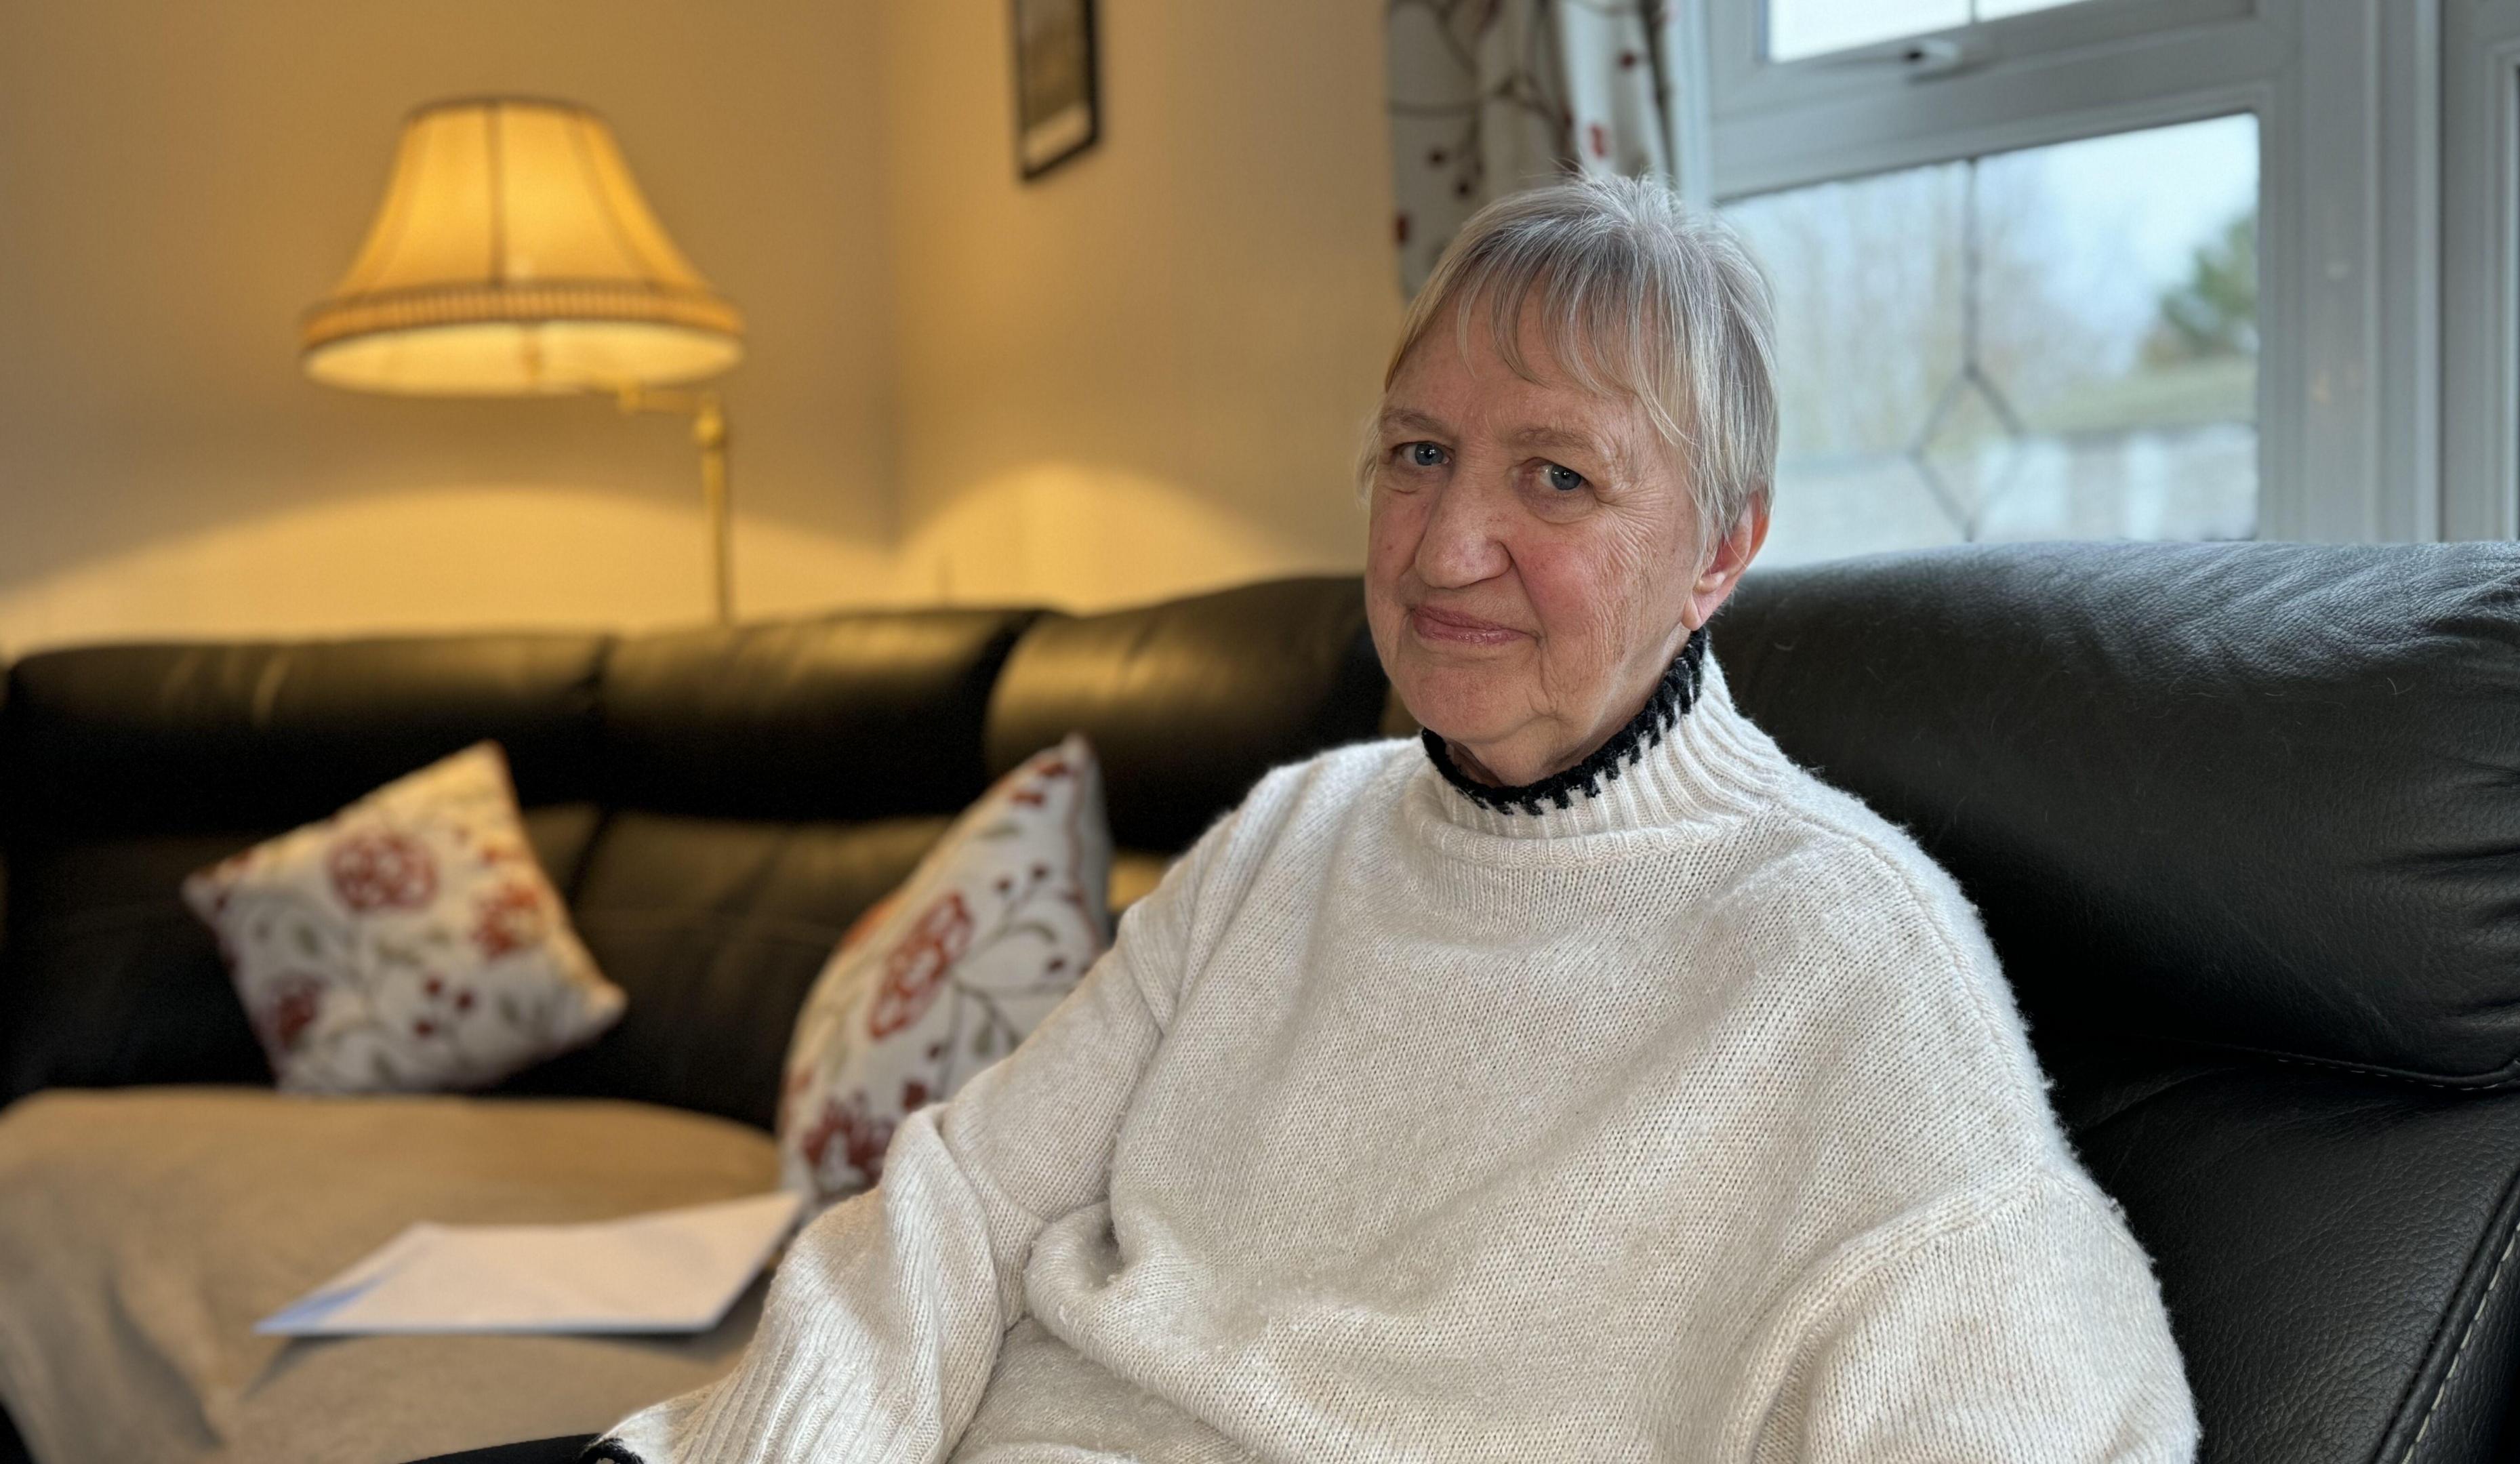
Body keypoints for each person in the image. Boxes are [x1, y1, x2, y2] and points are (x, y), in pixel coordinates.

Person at [535, 174, 2197, 1462]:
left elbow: (2026, 1385)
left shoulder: (1839, 941)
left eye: (1557, 477)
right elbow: (961, 1204)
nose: (1445, 542)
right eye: (1419, 453)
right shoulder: (1291, 830)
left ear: (1718, 552)